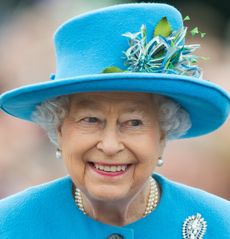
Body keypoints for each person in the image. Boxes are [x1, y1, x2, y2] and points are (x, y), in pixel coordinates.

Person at [0, 3, 229, 239]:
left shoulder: (220, 226)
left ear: (163, 132)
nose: (110, 146)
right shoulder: (10, 225)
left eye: (134, 122)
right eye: (90, 120)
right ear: (58, 128)